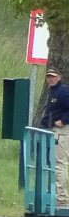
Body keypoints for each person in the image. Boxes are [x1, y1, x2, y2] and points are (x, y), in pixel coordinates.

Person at [40, 69, 69, 206]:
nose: (50, 79)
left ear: (59, 77)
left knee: (59, 164)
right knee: (52, 163)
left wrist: (63, 121)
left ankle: (61, 198)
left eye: (53, 76)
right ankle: (53, 193)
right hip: (52, 130)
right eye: (48, 77)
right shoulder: (51, 92)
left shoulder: (63, 91)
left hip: (61, 131)